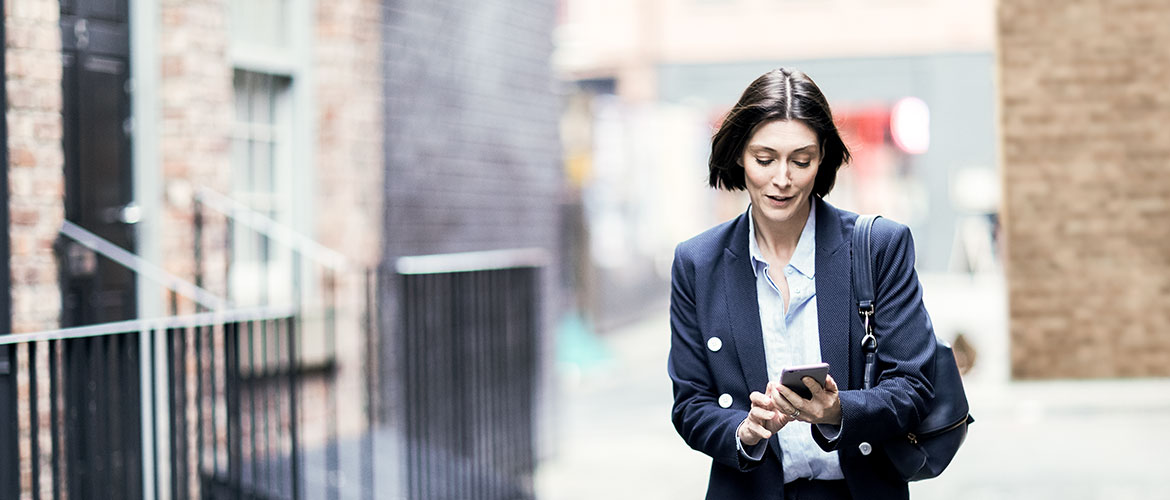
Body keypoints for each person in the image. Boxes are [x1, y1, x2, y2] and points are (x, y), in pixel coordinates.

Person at [667, 68, 937, 500]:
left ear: (822, 157)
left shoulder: (878, 247)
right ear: (739, 154)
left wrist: (838, 411)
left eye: (800, 159)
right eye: (764, 158)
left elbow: (914, 385)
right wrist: (745, 429)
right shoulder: (699, 262)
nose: (782, 178)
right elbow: (690, 403)